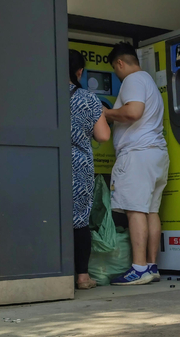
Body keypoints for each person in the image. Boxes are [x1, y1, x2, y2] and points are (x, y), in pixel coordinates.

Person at [104, 42, 169, 286]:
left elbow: (133, 112)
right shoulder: (148, 82)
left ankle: (139, 268)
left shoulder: (132, 79)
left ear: (120, 63)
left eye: (114, 68)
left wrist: (106, 113)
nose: (117, 74)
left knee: (135, 210)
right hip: (155, 154)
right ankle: (151, 266)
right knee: (151, 210)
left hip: (138, 154)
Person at [69, 49, 111, 290]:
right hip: (79, 164)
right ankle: (82, 277)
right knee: (79, 219)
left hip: (48, 163)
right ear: (80, 72)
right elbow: (103, 135)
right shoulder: (87, 98)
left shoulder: (44, 96)